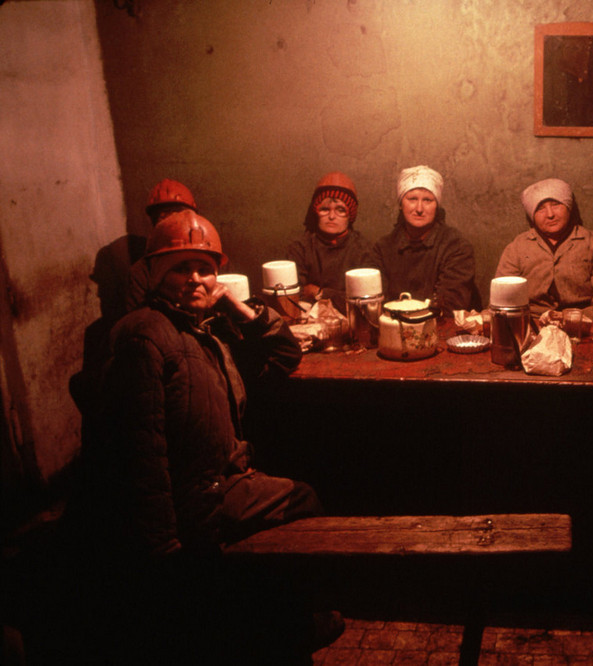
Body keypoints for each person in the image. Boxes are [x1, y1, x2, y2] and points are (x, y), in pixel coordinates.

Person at [87, 209, 339, 662]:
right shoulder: (146, 337)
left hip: (221, 480)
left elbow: (285, 354)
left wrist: (238, 308)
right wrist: (166, 552)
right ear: (156, 276)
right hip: (200, 497)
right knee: (304, 501)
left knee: (297, 484)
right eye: (180, 268)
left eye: (204, 269)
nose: (194, 279)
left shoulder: (205, 331)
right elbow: (143, 454)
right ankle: (297, 624)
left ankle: (283, 619)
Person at [495, 177, 593, 321]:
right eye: (540, 209)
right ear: (532, 215)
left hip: (580, 323)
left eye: (556, 205)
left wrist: (569, 318)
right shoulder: (517, 247)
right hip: (531, 323)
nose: (550, 214)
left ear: (568, 207)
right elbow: (502, 301)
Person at [373, 165, 480, 311]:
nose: (419, 209)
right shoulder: (383, 249)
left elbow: (451, 305)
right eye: (412, 199)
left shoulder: (456, 247)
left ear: (436, 206)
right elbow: (377, 304)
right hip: (392, 322)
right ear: (401, 204)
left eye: (427, 200)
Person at [286, 171, 377, 313]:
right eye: (325, 209)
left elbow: (367, 302)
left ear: (350, 215)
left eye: (340, 210)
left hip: (351, 320)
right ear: (316, 211)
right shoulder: (301, 247)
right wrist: (341, 296)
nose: (332, 216)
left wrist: (321, 293)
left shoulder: (363, 250)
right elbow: (292, 296)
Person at [124, 178, 200, 313]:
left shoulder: (208, 256)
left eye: (178, 215)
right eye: (163, 217)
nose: (172, 224)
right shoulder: (142, 271)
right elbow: (137, 318)